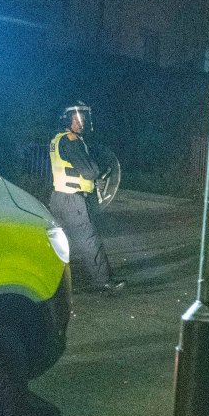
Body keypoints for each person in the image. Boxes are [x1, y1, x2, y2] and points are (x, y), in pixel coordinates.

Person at [48, 100, 124, 292]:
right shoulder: (72, 141)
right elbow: (90, 172)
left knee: (59, 243)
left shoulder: (57, 139)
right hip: (74, 201)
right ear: (68, 120)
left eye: (83, 118)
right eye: (77, 119)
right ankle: (105, 283)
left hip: (58, 198)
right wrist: (100, 168)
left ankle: (53, 284)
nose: (81, 122)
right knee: (89, 241)